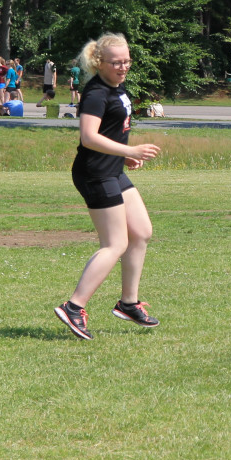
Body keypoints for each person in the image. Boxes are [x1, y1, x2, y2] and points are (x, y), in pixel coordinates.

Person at [53, 33, 161, 340]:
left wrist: (123, 158)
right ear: (100, 62)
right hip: (95, 174)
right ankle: (74, 306)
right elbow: (88, 137)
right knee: (116, 244)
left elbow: (110, 132)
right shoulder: (97, 92)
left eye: (127, 60)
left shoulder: (117, 86)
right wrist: (130, 151)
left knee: (141, 232)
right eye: (116, 62)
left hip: (112, 169)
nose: (123, 66)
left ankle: (128, 303)